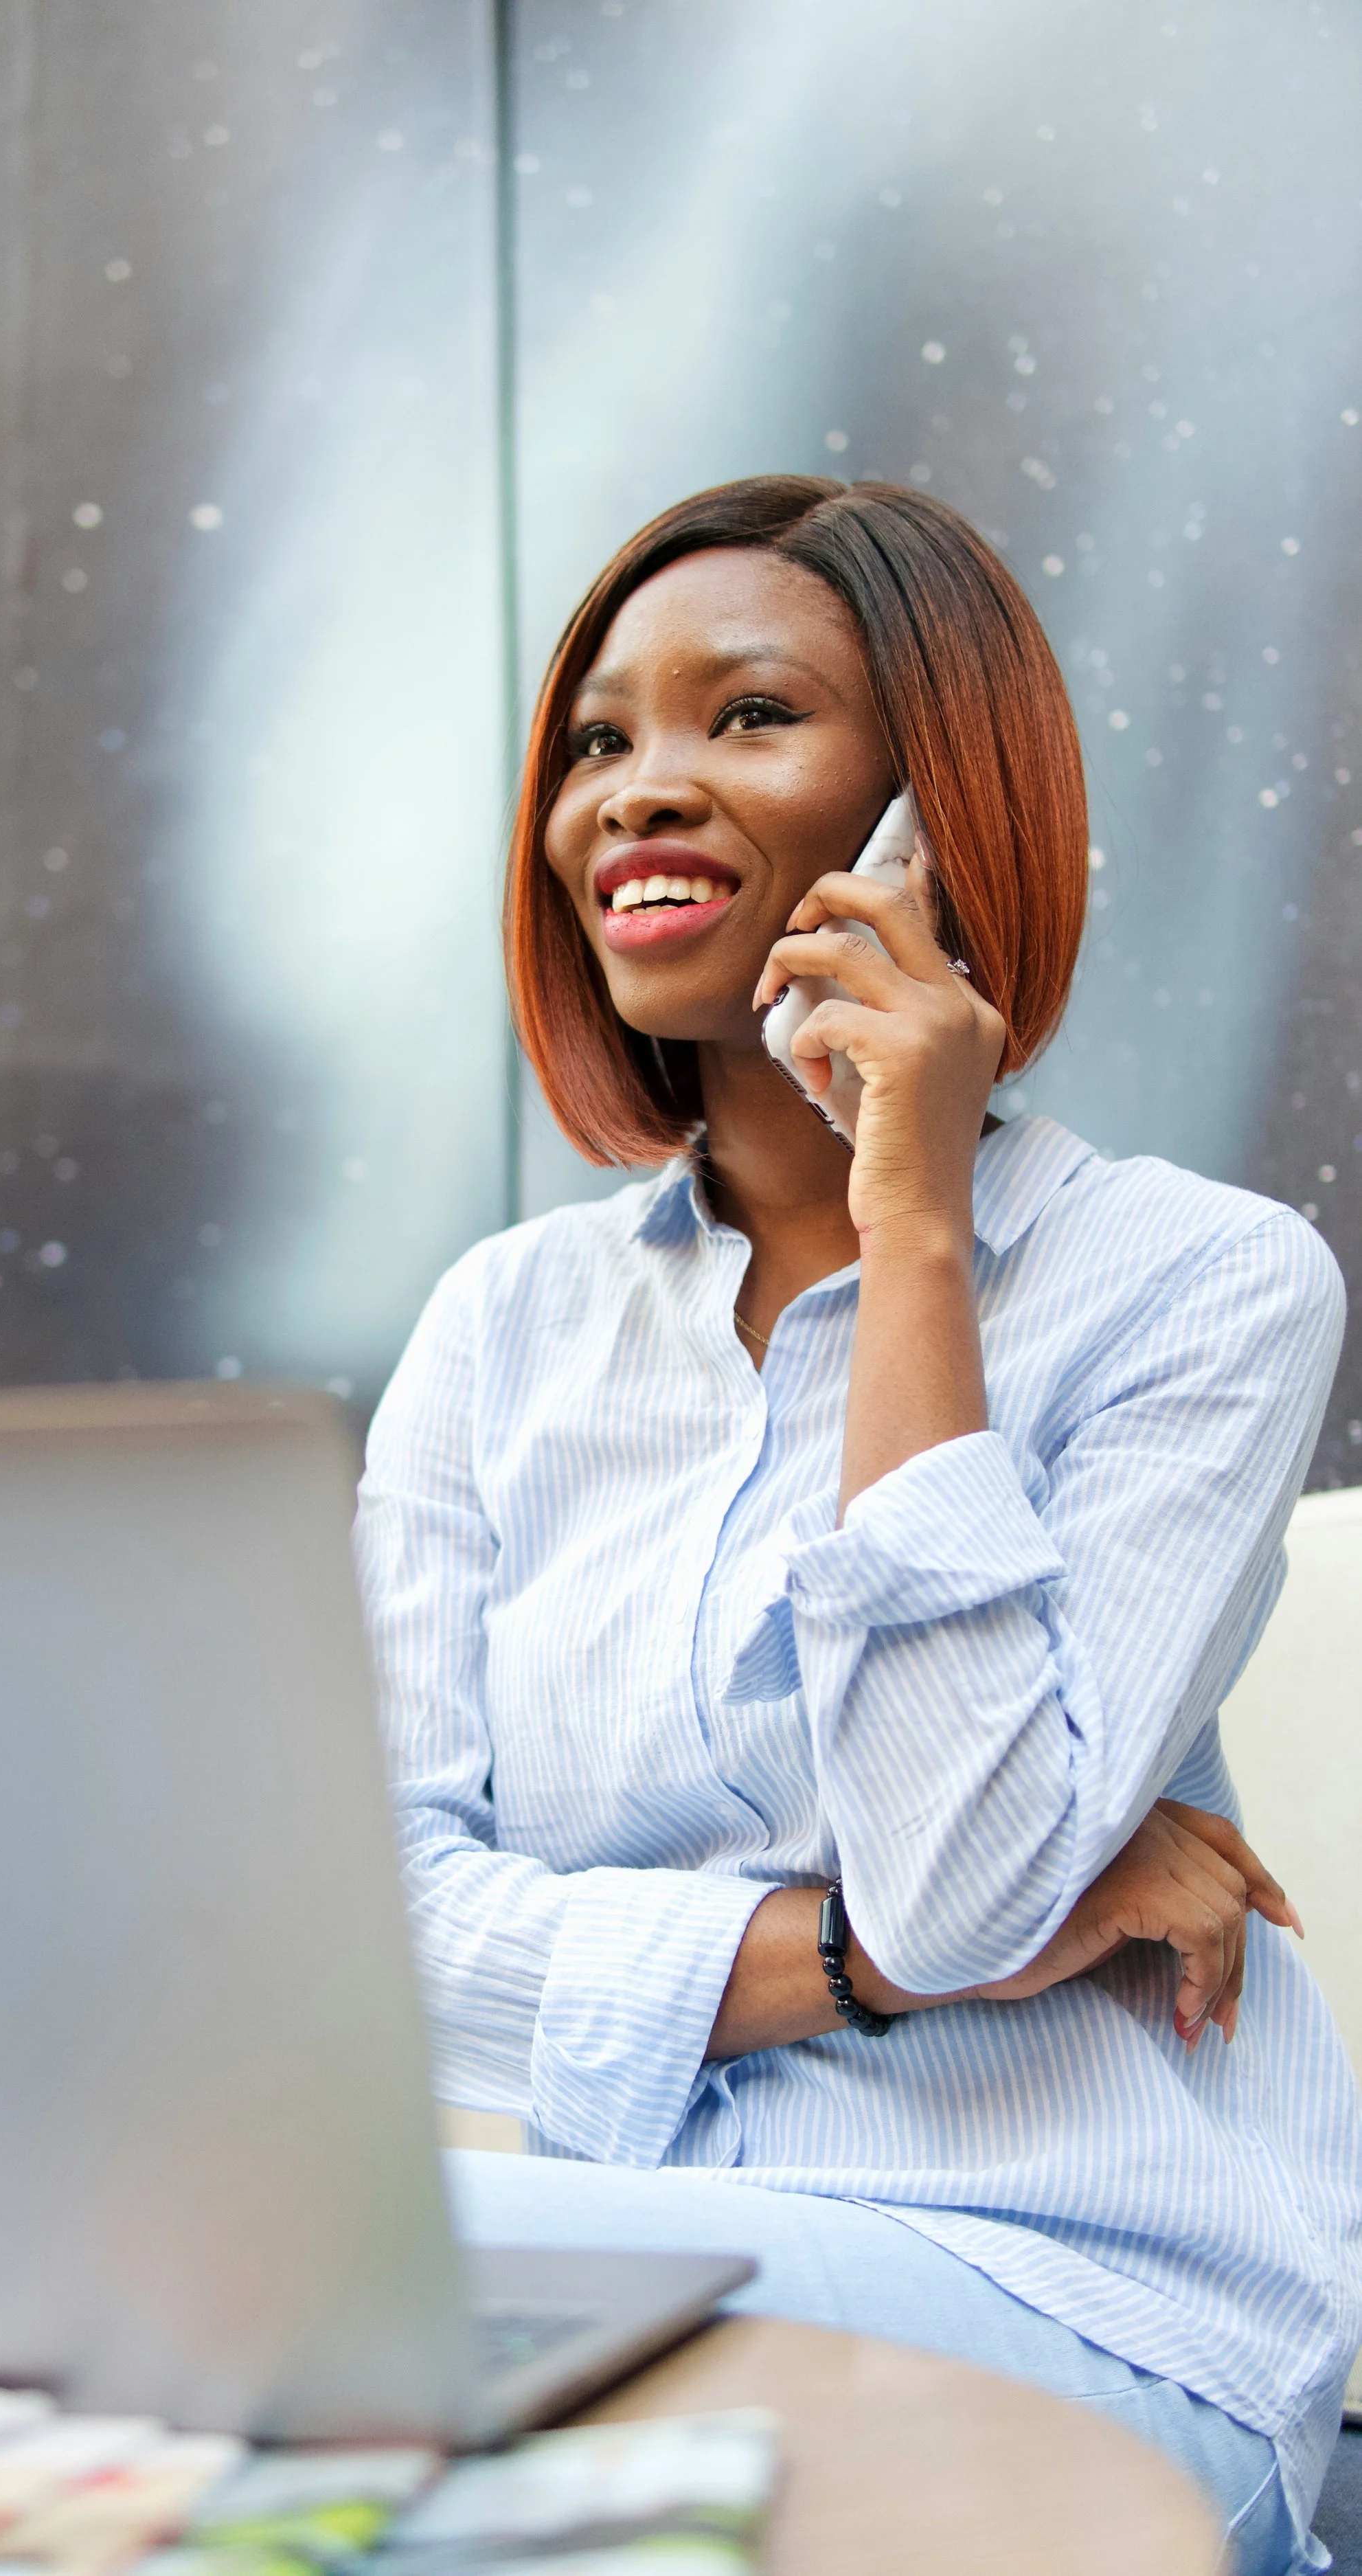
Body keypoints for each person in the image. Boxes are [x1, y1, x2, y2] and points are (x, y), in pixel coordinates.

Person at [354, 477, 1361, 2575]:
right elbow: (381, 1932)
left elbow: (972, 1868)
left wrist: (910, 1224)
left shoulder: (1203, 1282)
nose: (639, 790)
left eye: (747, 718)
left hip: (1090, 2293)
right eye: (597, 743)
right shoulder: (501, 1326)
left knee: (290, 2271)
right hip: (646, 2276)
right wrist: (846, 1958)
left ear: (935, 813)